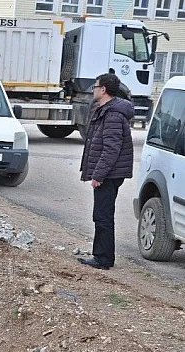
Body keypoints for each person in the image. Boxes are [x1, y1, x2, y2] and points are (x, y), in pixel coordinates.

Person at [78, 73, 134, 270]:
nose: (93, 89)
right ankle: (101, 255)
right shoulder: (106, 110)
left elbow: (111, 148)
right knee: (102, 214)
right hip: (109, 173)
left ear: (103, 90)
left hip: (109, 174)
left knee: (102, 215)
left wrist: (98, 175)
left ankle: (103, 258)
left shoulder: (112, 114)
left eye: (95, 86)